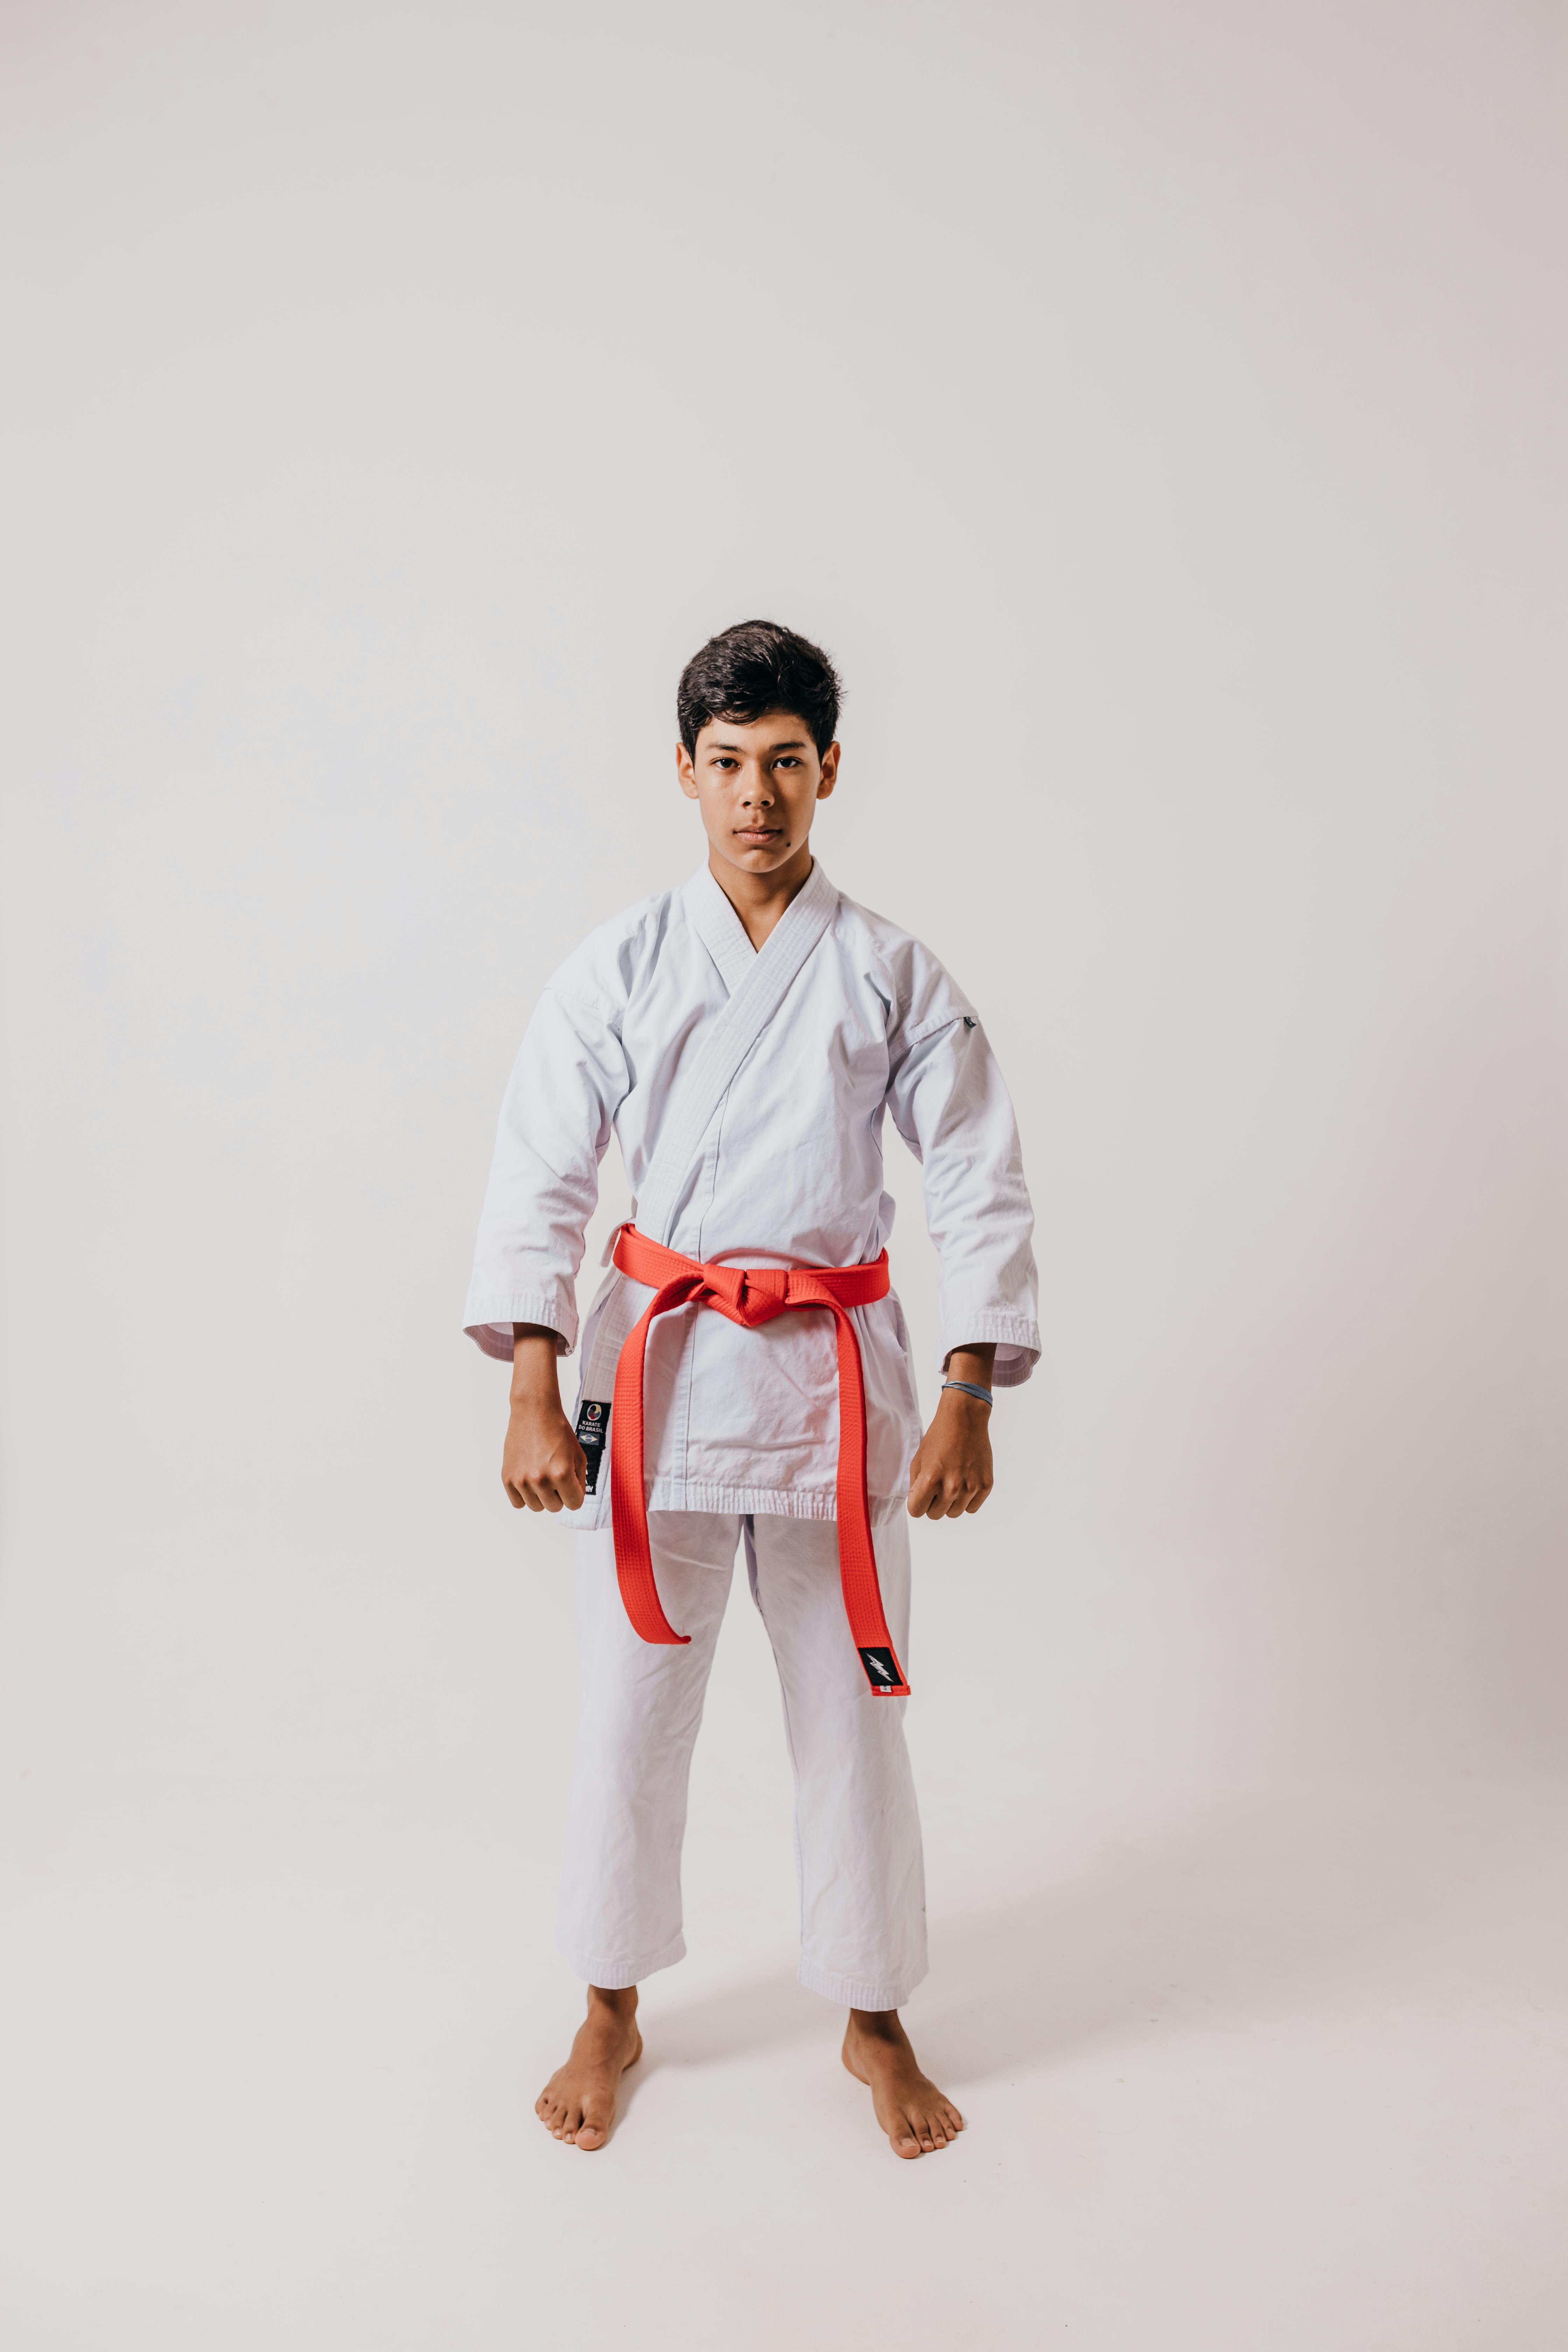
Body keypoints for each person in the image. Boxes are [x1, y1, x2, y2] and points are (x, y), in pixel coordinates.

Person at [464, 620, 1038, 2157]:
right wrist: (530, 1376)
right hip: (656, 1387)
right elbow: (542, 1166)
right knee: (628, 1711)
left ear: (830, 771)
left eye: (786, 762)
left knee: (854, 1712)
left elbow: (977, 1173)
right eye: (727, 764)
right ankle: (610, 2000)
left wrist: (969, 1388)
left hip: (832, 1397)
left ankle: (869, 2013)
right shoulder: (625, 963)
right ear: (683, 772)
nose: (757, 796)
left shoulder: (888, 971)